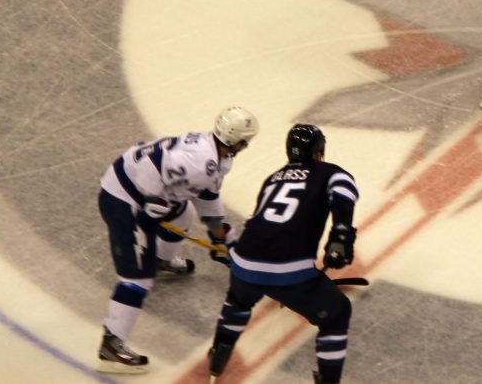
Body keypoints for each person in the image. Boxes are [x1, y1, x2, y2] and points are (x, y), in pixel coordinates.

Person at [96, 106, 258, 374]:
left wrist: (221, 238)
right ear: (236, 140)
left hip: (137, 192)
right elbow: (150, 165)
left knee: (184, 213)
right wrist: (152, 202)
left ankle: (162, 259)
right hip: (124, 200)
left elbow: (206, 197)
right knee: (138, 277)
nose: (246, 146)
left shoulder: (215, 157)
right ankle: (112, 342)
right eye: (245, 141)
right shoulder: (201, 160)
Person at [207, 124, 360, 384]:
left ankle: (219, 352)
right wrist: (341, 235)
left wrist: (234, 250)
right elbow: (344, 192)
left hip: (243, 262)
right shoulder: (330, 172)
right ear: (319, 151)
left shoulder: (273, 178)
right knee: (337, 313)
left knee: (239, 300)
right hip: (289, 271)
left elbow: (258, 221)